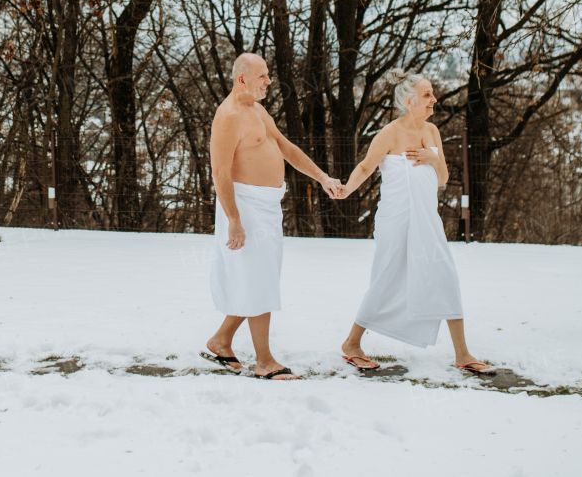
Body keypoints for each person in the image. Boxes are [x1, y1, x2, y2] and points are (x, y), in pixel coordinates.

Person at [331, 69, 494, 375]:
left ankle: (462, 353)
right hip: (396, 219)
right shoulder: (389, 133)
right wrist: (344, 190)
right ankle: (352, 343)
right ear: (409, 101)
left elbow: (443, 178)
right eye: (427, 94)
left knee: (445, 275)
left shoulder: (432, 133)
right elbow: (366, 167)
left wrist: (434, 159)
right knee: (387, 278)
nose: (434, 99)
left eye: (432, 93)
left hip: (427, 219)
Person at [201, 53, 342, 380]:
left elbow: (285, 147)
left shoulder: (256, 109)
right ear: (242, 80)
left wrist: (322, 177)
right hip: (245, 206)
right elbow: (219, 172)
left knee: (257, 278)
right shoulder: (228, 116)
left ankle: (221, 340)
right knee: (259, 280)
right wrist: (234, 219)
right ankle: (264, 361)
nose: (268, 81)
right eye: (263, 76)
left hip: (266, 206)